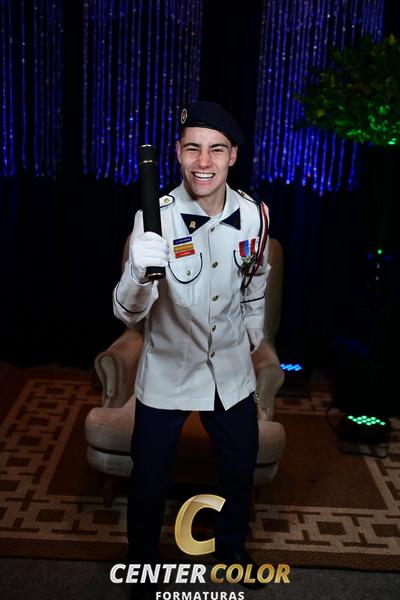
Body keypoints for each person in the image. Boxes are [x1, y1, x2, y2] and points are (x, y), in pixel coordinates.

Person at [113, 101, 270, 597]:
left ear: (233, 156)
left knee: (239, 468)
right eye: (193, 149)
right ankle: (142, 564)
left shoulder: (255, 215)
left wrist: (253, 334)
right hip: (169, 370)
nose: (204, 162)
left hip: (230, 371)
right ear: (178, 153)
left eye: (216, 150)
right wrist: (138, 272)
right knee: (150, 476)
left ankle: (231, 550)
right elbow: (127, 313)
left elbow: (257, 277)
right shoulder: (153, 218)